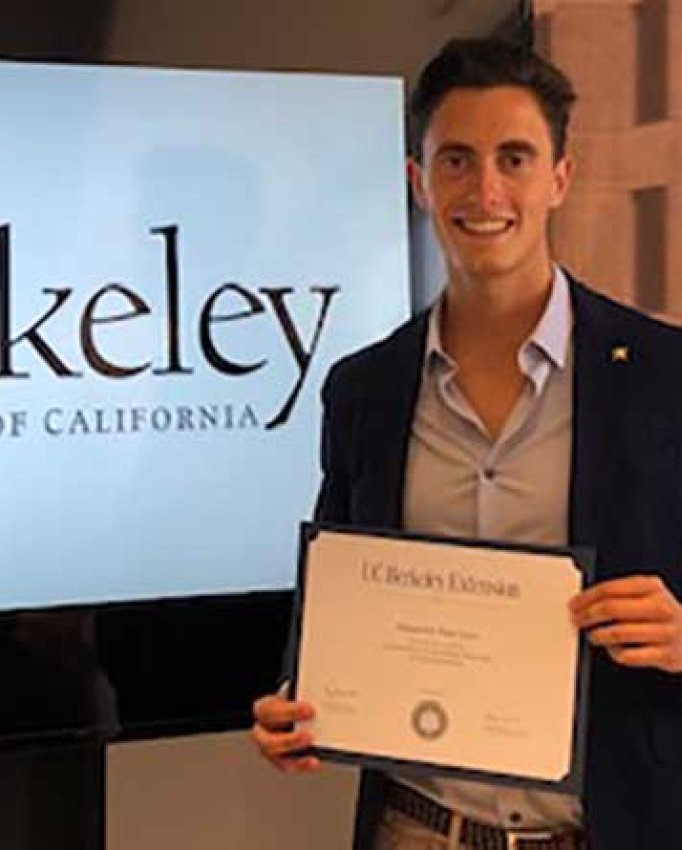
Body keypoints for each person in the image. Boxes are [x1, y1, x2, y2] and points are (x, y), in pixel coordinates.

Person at [251, 36, 682, 850]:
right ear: (418, 182)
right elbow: (339, 599)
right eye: (456, 160)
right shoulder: (363, 391)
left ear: (560, 176)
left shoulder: (666, 377)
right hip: (413, 832)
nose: (485, 189)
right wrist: (296, 698)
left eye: (514, 158)